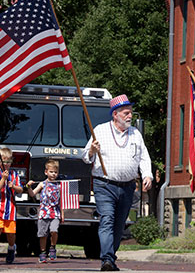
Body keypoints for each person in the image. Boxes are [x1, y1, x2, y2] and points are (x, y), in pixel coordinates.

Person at [82, 94, 152, 271]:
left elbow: (144, 156)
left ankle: (110, 257)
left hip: (127, 186)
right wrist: (91, 150)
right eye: (126, 113)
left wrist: (147, 175)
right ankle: (106, 258)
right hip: (104, 185)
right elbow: (84, 157)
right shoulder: (100, 130)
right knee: (107, 219)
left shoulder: (135, 134)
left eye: (130, 113)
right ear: (115, 114)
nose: (130, 116)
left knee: (119, 225)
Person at [0, 148, 23, 265]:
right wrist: (3, 179)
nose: (6, 164)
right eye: (4, 162)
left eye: (9, 161)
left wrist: (13, 186)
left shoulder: (15, 174)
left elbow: (21, 189)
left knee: (10, 233)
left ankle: (11, 248)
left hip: (10, 208)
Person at [26, 159, 64, 263]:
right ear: (46, 172)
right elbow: (32, 194)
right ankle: (42, 252)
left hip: (55, 212)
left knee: (54, 230)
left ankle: (52, 247)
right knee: (42, 234)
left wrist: (62, 214)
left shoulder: (59, 185)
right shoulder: (42, 184)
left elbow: (61, 201)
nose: (53, 174)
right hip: (44, 212)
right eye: (51, 172)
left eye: (55, 172)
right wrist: (28, 187)